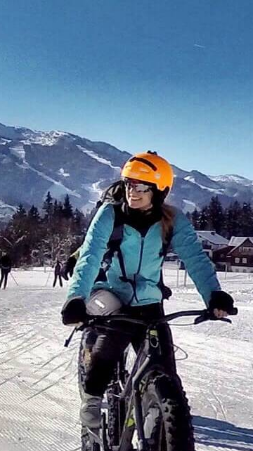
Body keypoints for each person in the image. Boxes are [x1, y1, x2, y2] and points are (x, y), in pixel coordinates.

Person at [60, 151, 234, 429]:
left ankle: (161, 426)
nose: (134, 192)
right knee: (108, 348)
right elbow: (90, 255)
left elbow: (196, 259)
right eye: (130, 185)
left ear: (159, 191)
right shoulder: (110, 214)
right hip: (114, 296)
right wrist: (76, 298)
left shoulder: (173, 220)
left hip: (150, 302)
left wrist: (214, 294)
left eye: (142, 187)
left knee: (166, 373)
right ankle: (92, 399)